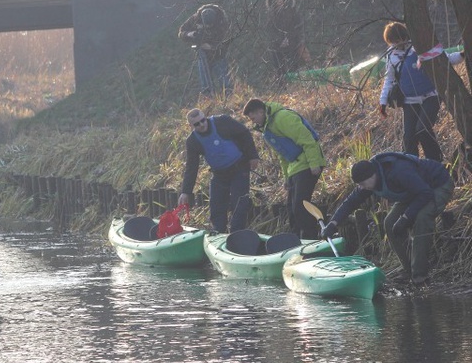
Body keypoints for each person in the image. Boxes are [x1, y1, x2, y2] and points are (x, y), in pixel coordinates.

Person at [321, 152, 453, 285]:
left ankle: (420, 276)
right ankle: (409, 271)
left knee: (422, 218)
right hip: (414, 192)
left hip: (437, 185)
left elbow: (425, 193)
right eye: (358, 184)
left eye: (362, 183)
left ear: (371, 176)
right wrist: (333, 223)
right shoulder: (370, 179)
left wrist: (406, 217)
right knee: (389, 223)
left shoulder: (398, 172)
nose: (361, 187)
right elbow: (350, 202)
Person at [379, 21, 464, 162]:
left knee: (423, 130)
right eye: (395, 40)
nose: (399, 42)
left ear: (406, 36)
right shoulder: (391, 57)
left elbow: (444, 60)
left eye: (401, 38)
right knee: (409, 137)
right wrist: (382, 102)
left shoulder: (419, 47)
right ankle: (413, 166)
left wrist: (462, 55)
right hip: (409, 101)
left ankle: (436, 163)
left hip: (431, 96)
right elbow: (389, 80)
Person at [243, 98, 326, 239]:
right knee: (291, 209)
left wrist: (314, 163)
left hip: (307, 164)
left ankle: (312, 239)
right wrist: (287, 178)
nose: (253, 122)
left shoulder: (283, 117)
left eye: (254, 117)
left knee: (301, 206)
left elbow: (307, 139)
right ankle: (296, 239)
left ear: (261, 111)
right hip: (295, 167)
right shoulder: (267, 128)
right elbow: (283, 155)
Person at [179, 108, 260, 233]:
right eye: (197, 124)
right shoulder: (192, 141)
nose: (201, 125)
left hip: (239, 168)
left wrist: (253, 156)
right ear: (191, 126)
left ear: (205, 117)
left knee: (239, 203)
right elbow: (191, 167)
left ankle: (237, 233)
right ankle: (218, 233)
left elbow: (244, 133)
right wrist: (186, 191)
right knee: (216, 206)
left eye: (203, 120)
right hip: (219, 174)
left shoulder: (222, 122)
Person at [178, 3, 232, 97]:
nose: (208, 27)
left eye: (210, 25)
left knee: (224, 78)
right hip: (202, 53)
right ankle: (208, 96)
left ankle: (229, 94)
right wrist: (189, 34)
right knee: (205, 78)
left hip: (218, 54)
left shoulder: (222, 21)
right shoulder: (195, 19)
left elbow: (226, 40)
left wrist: (212, 47)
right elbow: (181, 32)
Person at [265, 0, 310, 80]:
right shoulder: (271, 15)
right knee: (280, 71)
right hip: (277, 47)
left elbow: (298, 27)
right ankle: (282, 86)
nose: (279, 0)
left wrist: (290, 39)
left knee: (294, 68)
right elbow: (270, 31)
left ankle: (296, 85)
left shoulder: (292, 11)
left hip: (293, 44)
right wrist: (280, 40)